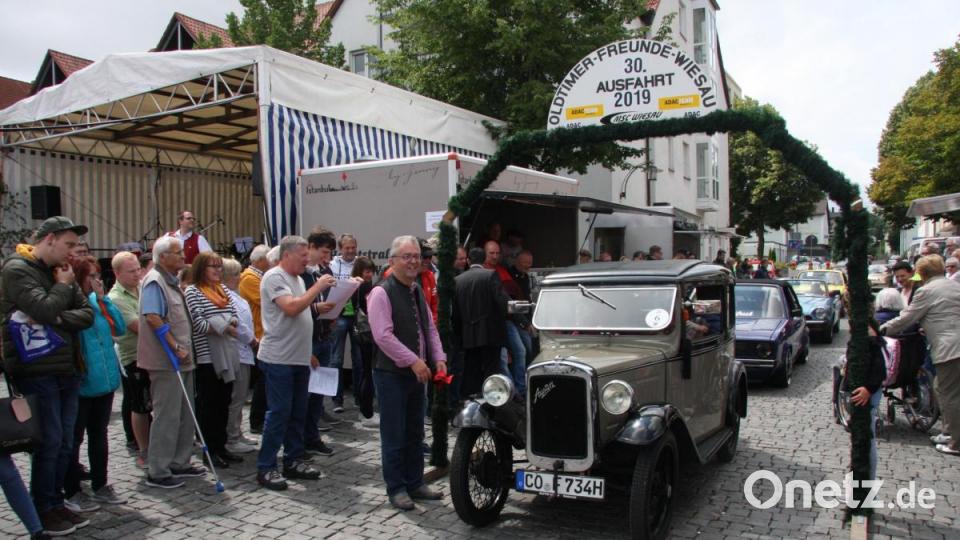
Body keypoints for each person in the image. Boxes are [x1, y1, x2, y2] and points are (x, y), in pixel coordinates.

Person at [1, 216, 94, 535]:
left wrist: (56, 315)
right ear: (49, 239)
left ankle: (55, 500)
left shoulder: (60, 270)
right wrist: (63, 288)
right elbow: (42, 308)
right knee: (49, 441)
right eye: (68, 244)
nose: (72, 252)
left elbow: (87, 314)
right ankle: (43, 506)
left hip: (68, 367)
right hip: (36, 370)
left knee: (65, 440)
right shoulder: (18, 269)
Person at [368, 235, 447, 510]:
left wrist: (438, 357)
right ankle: (397, 488)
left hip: (417, 373)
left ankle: (415, 482)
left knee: (415, 431)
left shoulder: (416, 290)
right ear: (392, 261)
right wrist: (414, 360)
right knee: (394, 434)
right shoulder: (381, 292)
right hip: (391, 374)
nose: (414, 261)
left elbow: (429, 328)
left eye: (416, 256)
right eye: (407, 256)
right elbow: (383, 336)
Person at [256, 235, 333, 491]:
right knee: (279, 413)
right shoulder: (274, 277)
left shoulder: (298, 279)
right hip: (279, 358)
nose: (307, 260)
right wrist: (317, 288)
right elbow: (290, 308)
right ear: (286, 255)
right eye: (302, 256)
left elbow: (301, 311)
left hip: (299, 357)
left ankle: (293, 460)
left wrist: (318, 309)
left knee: (298, 412)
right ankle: (266, 466)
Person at [139, 236, 206, 489]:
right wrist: (174, 345)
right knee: (167, 415)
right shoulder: (155, 281)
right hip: (166, 360)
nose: (183, 256)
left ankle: (179, 461)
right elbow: (152, 317)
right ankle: (158, 470)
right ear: (163, 256)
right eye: (177, 253)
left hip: (183, 359)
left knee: (185, 413)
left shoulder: (172, 280)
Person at [880, 255, 960, 455]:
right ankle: (949, 432)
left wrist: (881, 329)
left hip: (950, 349)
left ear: (921, 273)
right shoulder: (954, 285)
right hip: (954, 345)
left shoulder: (926, 291)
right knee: (940, 388)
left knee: (949, 395)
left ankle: (956, 443)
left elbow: (907, 318)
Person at [64, 257, 127, 511]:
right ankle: (73, 489)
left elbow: (119, 328)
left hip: (105, 380)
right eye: (90, 276)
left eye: (97, 275)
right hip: (82, 382)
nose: (96, 280)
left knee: (99, 435)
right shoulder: (70, 303)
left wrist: (104, 300)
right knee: (74, 438)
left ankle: (101, 484)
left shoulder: (97, 301)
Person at [184, 252, 243, 469]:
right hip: (207, 357)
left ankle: (222, 445)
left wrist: (222, 323)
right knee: (209, 405)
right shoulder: (193, 291)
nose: (218, 270)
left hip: (227, 354)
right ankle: (210, 450)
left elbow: (235, 316)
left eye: (219, 266)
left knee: (224, 403)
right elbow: (199, 324)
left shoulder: (223, 289)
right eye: (213, 267)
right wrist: (224, 325)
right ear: (202, 269)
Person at [109, 251, 151, 468]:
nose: (137, 274)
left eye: (138, 269)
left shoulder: (144, 287)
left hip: (152, 354)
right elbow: (139, 326)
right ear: (117, 273)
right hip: (134, 356)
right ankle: (144, 449)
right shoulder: (116, 298)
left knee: (153, 403)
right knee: (140, 404)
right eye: (131, 271)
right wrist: (157, 321)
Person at [301, 229, 339, 451]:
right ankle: (301, 440)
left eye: (329, 253)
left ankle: (312, 436)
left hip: (324, 335)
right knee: (305, 395)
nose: (327, 257)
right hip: (309, 340)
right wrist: (317, 309)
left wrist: (331, 314)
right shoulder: (302, 275)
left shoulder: (320, 272)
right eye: (324, 252)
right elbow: (296, 307)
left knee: (317, 393)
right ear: (311, 247)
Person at [454, 248, 509, 397]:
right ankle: (492, 401)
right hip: (491, 333)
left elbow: (456, 312)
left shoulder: (458, 280)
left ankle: (471, 400)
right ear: (484, 260)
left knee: (471, 369)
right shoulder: (491, 275)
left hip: (468, 334)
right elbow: (503, 302)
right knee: (492, 371)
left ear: (468, 261)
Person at [221, 258, 260, 455]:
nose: (239, 277)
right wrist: (252, 340)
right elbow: (238, 324)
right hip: (238, 351)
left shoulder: (234, 294)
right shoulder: (226, 296)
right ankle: (232, 437)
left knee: (241, 395)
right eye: (235, 274)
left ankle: (238, 432)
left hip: (244, 350)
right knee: (236, 398)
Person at [845, 319, 888, 482]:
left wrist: (868, 389)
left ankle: (866, 482)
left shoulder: (869, 335)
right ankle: (859, 480)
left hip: (867, 393)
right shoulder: (863, 330)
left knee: (866, 439)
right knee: (861, 438)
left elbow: (879, 369)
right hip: (861, 391)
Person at [330, 234, 363, 411]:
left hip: (357, 315)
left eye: (353, 247)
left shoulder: (361, 262)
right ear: (340, 248)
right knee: (336, 359)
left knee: (359, 359)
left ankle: (359, 397)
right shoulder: (332, 265)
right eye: (347, 248)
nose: (350, 251)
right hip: (339, 315)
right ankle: (337, 400)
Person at [240, 244, 271, 434]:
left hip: (262, 333)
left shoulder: (259, 277)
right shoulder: (249, 278)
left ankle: (261, 418)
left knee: (265, 379)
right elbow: (267, 300)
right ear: (260, 260)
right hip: (258, 334)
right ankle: (257, 420)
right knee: (263, 380)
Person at [350, 256, 379, 426]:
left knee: (364, 371)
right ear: (360, 271)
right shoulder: (365, 286)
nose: (369, 275)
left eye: (371, 272)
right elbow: (370, 309)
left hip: (359, 331)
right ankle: (366, 413)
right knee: (367, 372)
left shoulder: (353, 284)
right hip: (367, 332)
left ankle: (364, 408)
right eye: (367, 271)